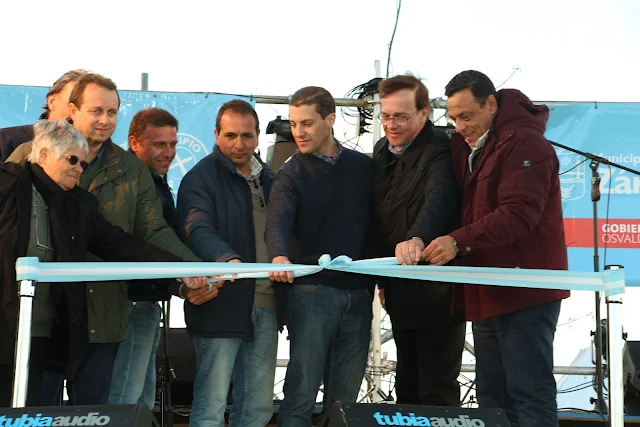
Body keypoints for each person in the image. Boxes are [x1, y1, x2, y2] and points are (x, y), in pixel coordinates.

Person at [7, 73, 203, 405]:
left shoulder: (132, 170)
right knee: (34, 410)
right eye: (96, 110)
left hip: (101, 316)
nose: (105, 120)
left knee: (95, 413)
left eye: (112, 112)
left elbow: (148, 233)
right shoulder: (28, 154)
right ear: (73, 110)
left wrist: (192, 268)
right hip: (40, 317)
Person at [422, 70, 569, 427]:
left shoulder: (526, 144)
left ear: (491, 104)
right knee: (492, 398)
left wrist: (457, 242)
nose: (459, 127)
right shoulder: (472, 146)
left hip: (524, 291)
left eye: (466, 116)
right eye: (453, 118)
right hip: (486, 288)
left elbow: (518, 214)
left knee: (528, 393)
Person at [266, 86, 375, 427]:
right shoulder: (290, 173)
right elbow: (277, 221)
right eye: (294, 123)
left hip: (359, 294)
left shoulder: (363, 167)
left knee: (344, 405)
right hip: (311, 294)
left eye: (307, 123)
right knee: (300, 395)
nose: (298, 132)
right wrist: (279, 256)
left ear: (330, 119)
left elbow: (379, 225)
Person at [177, 99, 282, 427]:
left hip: (267, 304)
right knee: (211, 406)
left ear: (258, 137)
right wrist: (226, 258)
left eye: (247, 136)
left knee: (257, 408)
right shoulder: (198, 178)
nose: (239, 144)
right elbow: (197, 227)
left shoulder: (271, 179)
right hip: (220, 303)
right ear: (216, 135)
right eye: (231, 135)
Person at [108, 108, 220, 409]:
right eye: (159, 144)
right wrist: (184, 281)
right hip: (131, 302)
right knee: (126, 400)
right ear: (134, 143)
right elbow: (144, 245)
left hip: (145, 302)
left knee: (141, 400)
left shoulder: (152, 181)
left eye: (172, 144)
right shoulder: (129, 183)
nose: (169, 153)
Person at [372, 74, 465, 406]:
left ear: (424, 113)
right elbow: (380, 217)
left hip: (438, 289)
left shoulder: (441, 148)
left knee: (436, 388)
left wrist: (417, 237)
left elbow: (439, 198)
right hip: (399, 286)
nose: (391, 124)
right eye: (385, 116)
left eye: (401, 116)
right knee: (406, 384)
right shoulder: (382, 152)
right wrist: (383, 280)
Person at [0, 69, 87, 161]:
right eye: (75, 103)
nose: (79, 112)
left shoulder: (95, 151)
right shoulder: (5, 141)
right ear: (52, 102)